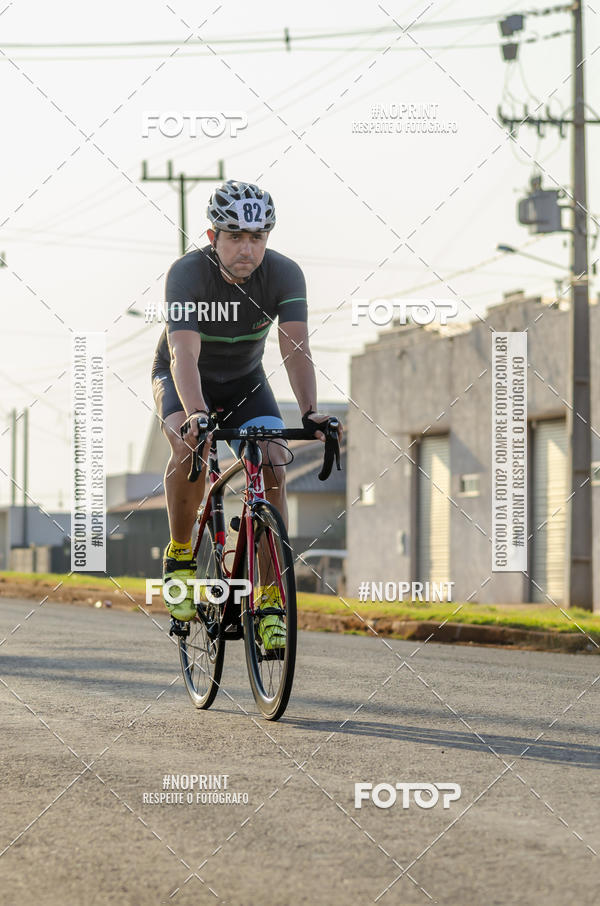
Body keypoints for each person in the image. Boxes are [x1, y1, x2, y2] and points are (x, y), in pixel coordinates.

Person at [151, 179, 343, 648]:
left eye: (256, 237)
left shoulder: (284, 275)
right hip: (184, 378)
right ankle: (179, 557)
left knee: (275, 461)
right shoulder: (188, 274)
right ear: (213, 236)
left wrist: (312, 411)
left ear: (267, 238)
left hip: (246, 383)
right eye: (235, 236)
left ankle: (270, 600)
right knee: (188, 441)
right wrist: (195, 414)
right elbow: (182, 356)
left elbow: (295, 346)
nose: (246, 249)